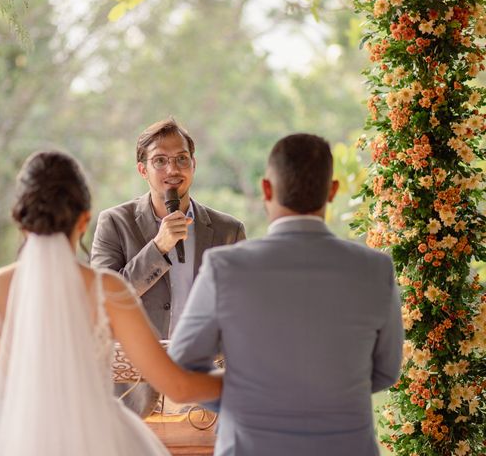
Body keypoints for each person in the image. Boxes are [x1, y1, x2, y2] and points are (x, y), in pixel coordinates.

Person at [0, 151, 222, 456]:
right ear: (84, 219)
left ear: (19, 217)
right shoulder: (108, 291)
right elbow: (177, 386)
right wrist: (244, 381)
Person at [169, 133, 404, 456]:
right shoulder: (376, 269)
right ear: (332, 190)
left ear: (266, 188)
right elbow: (386, 371)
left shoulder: (225, 267)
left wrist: (249, 391)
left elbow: (182, 369)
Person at [91, 117, 245, 416]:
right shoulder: (114, 223)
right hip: (132, 395)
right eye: (160, 160)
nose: (172, 170)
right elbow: (102, 300)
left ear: (193, 165)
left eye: (181, 159)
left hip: (205, 395)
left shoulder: (229, 230)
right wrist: (158, 247)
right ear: (142, 170)